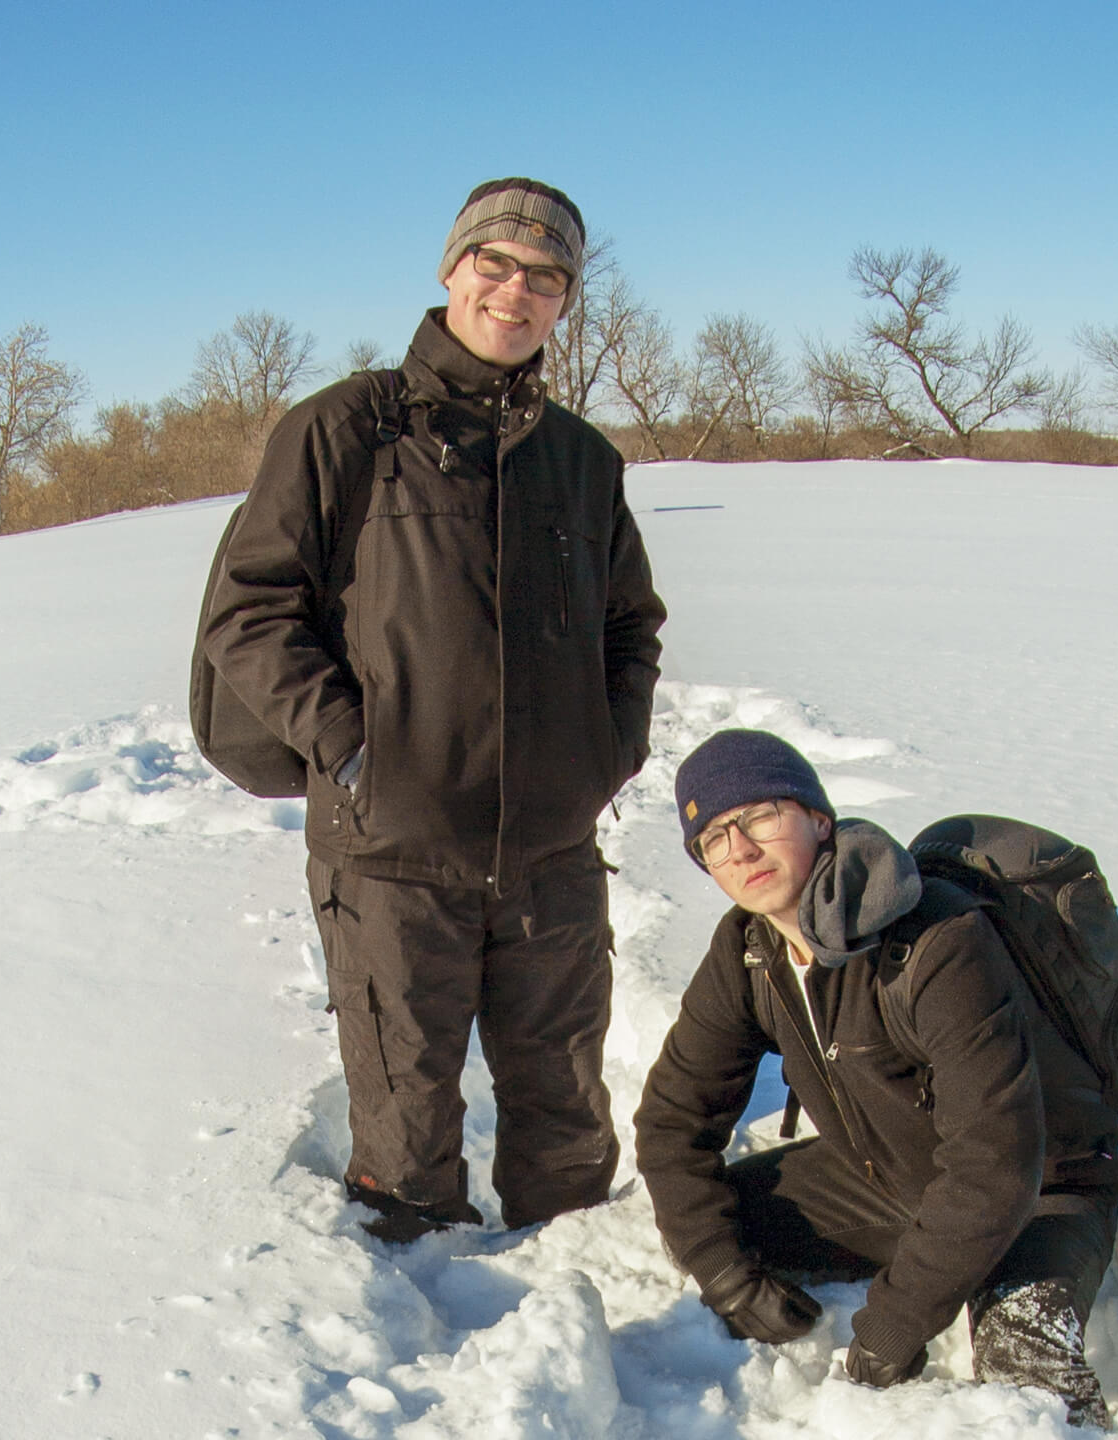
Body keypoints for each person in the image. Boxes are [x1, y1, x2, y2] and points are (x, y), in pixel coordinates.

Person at [197, 178, 667, 1242]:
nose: (516, 292)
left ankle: (573, 1284)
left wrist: (608, 751)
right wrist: (352, 747)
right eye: (495, 264)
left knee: (566, 1114)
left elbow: (630, 626)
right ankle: (420, 1332)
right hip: (390, 852)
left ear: (564, 301)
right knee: (405, 1126)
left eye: (545, 277)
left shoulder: (583, 461)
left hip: (550, 849)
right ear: (451, 270)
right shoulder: (341, 431)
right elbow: (250, 611)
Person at [632, 730, 1118, 1427]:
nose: (739, 849)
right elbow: (672, 1121)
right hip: (889, 1174)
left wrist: (893, 1324)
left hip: (1043, 1185)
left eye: (761, 817)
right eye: (713, 837)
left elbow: (995, 1165)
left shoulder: (938, 940)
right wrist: (727, 1279)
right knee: (718, 1221)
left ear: (818, 820)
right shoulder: (748, 948)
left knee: (1025, 1379)